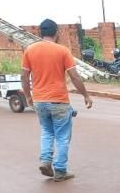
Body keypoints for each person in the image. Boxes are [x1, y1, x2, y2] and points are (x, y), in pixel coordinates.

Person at [21, 19, 93, 182]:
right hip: (59, 100)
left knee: (47, 131)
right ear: (57, 33)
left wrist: (28, 96)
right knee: (62, 136)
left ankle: (46, 160)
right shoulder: (62, 51)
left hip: (39, 100)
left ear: (40, 33)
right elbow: (74, 76)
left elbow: (24, 76)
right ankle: (60, 171)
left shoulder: (30, 50)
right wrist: (85, 95)